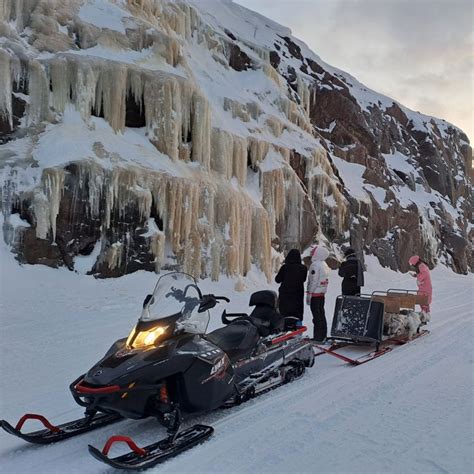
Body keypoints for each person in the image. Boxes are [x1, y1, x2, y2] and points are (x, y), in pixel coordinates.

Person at [275, 249, 308, 324]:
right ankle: (298, 329)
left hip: (285, 294)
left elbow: (277, 280)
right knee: (297, 313)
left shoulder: (285, 267)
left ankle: (283, 328)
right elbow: (304, 279)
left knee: (284, 313)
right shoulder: (303, 268)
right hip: (298, 294)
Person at [306, 245, 330, 342]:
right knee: (321, 314)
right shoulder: (324, 264)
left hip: (315, 294)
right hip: (321, 294)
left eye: (313, 252)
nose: (311, 253)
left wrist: (309, 293)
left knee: (316, 316)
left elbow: (313, 280)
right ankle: (323, 335)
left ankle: (318, 337)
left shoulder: (315, 265)